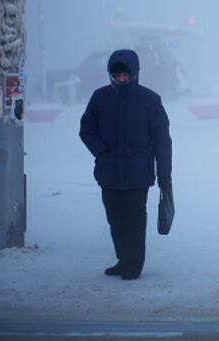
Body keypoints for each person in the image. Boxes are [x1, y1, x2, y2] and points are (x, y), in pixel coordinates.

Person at [79, 49, 172, 280]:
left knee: (135, 220)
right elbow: (87, 130)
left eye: (125, 75)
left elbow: (162, 141)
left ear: (135, 74)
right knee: (115, 219)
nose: (121, 79)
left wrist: (164, 176)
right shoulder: (100, 98)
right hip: (108, 172)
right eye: (117, 75)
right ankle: (123, 259)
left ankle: (134, 264)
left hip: (138, 174)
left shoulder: (150, 100)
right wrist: (101, 152)